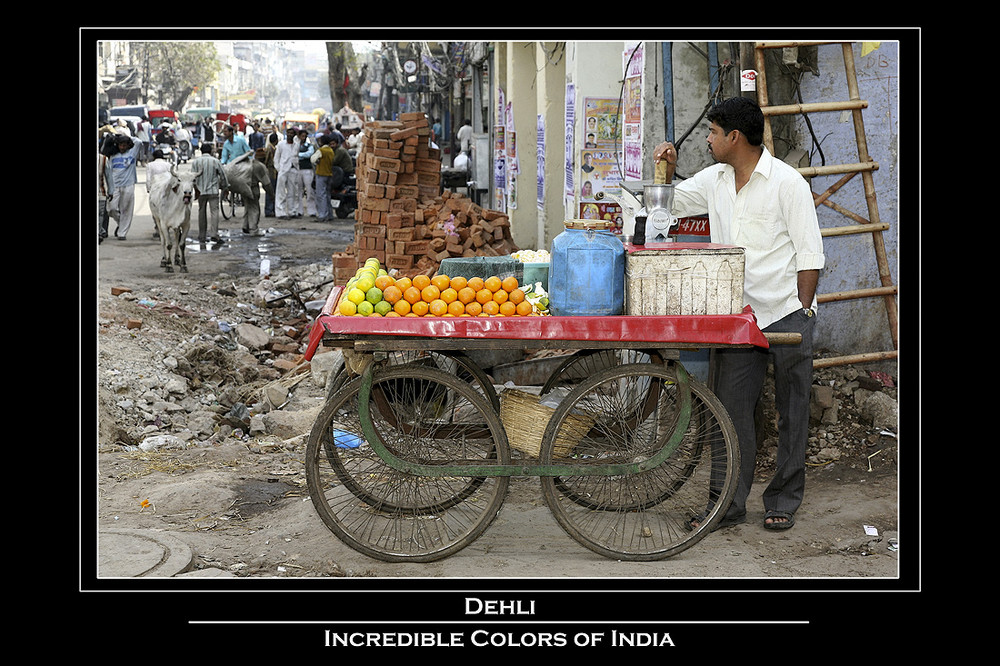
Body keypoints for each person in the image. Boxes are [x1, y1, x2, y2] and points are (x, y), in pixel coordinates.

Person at [653, 97, 825, 532]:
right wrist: (666, 170)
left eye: (712, 132)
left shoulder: (787, 183)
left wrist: (803, 313)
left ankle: (783, 499)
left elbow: (810, 253)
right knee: (728, 415)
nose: (708, 139)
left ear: (734, 137)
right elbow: (668, 204)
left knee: (793, 410)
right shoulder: (714, 180)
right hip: (738, 318)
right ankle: (726, 505)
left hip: (787, 312)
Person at [103, 134, 143, 240]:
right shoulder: (112, 155)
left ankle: (122, 233)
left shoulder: (132, 153)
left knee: (126, 209)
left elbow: (138, 141)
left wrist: (124, 135)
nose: (122, 147)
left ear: (128, 145)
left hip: (129, 184)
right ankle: (121, 223)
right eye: (120, 145)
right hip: (115, 185)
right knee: (111, 209)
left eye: (125, 145)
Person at [191, 143, 229, 243]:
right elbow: (223, 175)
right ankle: (214, 234)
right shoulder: (215, 161)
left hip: (200, 191)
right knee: (214, 212)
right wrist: (225, 187)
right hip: (213, 191)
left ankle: (202, 235)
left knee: (201, 212)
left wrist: (195, 190)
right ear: (211, 151)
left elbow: (192, 178)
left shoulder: (196, 162)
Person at [274, 128, 302, 219]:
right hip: (283, 170)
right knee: (281, 192)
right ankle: (280, 212)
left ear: (294, 135)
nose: (290, 135)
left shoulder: (296, 145)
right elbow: (276, 158)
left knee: (293, 192)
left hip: (293, 169)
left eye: (292, 133)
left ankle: (292, 211)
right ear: (286, 134)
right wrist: (279, 169)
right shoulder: (281, 144)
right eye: (288, 133)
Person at [312, 134, 336, 222]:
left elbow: (313, 159)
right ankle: (329, 214)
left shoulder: (321, 150)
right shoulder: (331, 150)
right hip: (329, 174)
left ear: (321, 142)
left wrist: (317, 161)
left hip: (321, 174)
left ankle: (322, 215)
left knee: (320, 195)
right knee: (327, 195)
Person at [296, 128, 317, 218]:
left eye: (305, 136)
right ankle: (299, 211)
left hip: (308, 170)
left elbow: (309, 154)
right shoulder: (296, 145)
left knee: (310, 191)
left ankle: (311, 211)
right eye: (302, 136)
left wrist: (298, 155)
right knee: (298, 191)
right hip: (298, 170)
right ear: (299, 136)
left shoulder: (309, 146)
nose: (303, 138)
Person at [263, 132, 279, 217]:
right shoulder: (270, 149)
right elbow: (267, 160)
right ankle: (269, 210)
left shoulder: (270, 148)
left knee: (272, 191)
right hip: (271, 172)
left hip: (272, 172)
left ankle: (271, 209)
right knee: (271, 191)